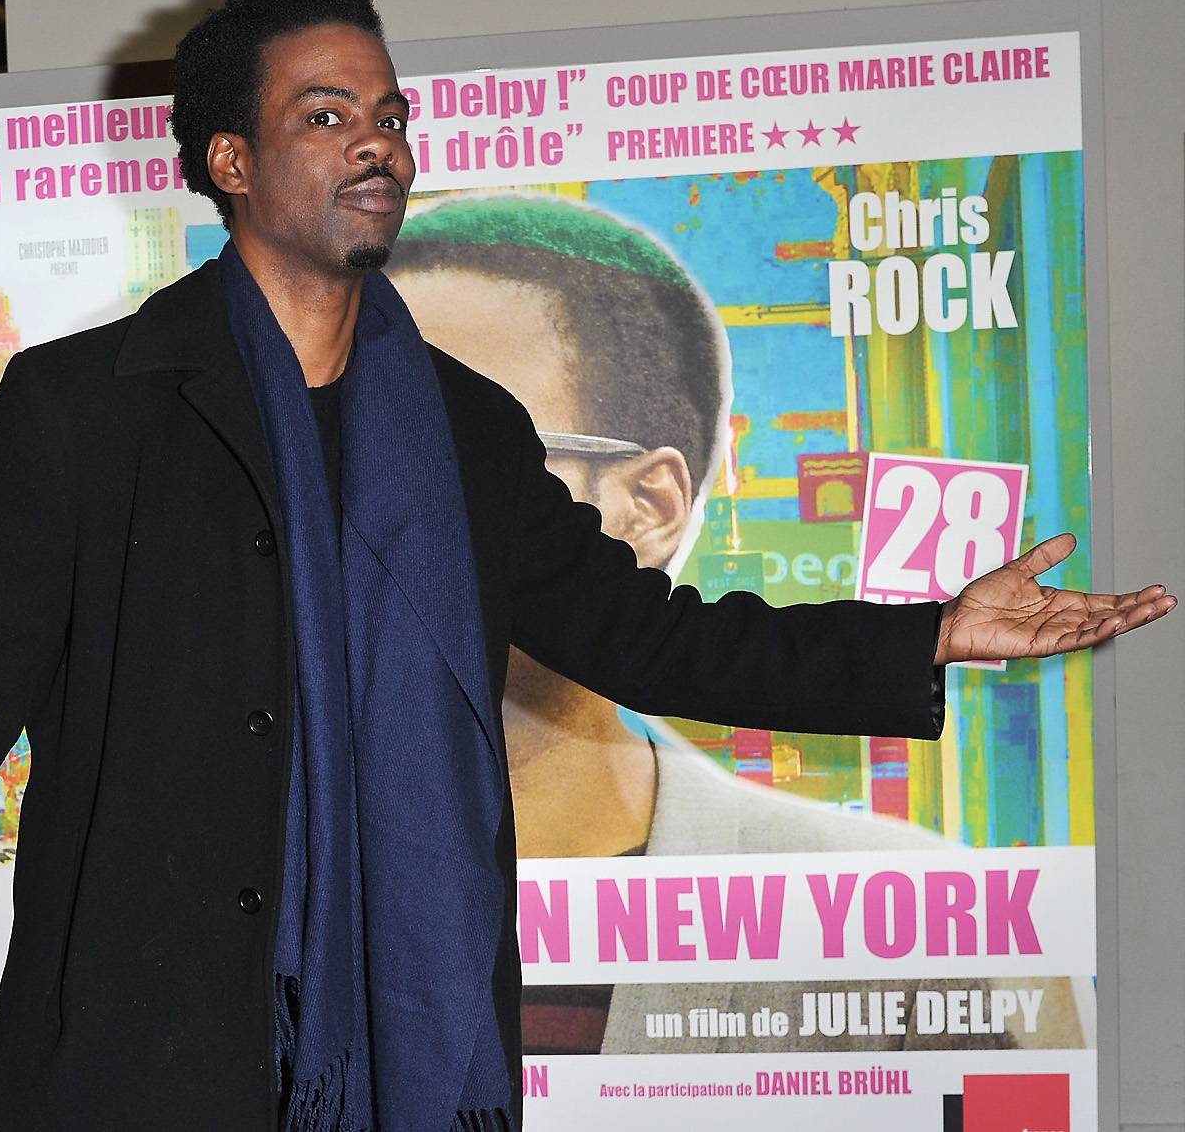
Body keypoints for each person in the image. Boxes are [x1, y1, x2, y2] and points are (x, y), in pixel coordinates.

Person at [0, 0, 1172, 1132]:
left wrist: (923, 635)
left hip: (407, 1047)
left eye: (388, 114)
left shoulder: (461, 428)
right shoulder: (94, 408)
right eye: (328, 115)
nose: (378, 144)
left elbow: (650, 636)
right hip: (145, 1060)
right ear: (232, 162)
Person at [387, 191, 1084, 1054]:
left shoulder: (915, 934)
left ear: (648, 506)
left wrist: (929, 633)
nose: (382, 515)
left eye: (461, 463)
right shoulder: (267, 888)